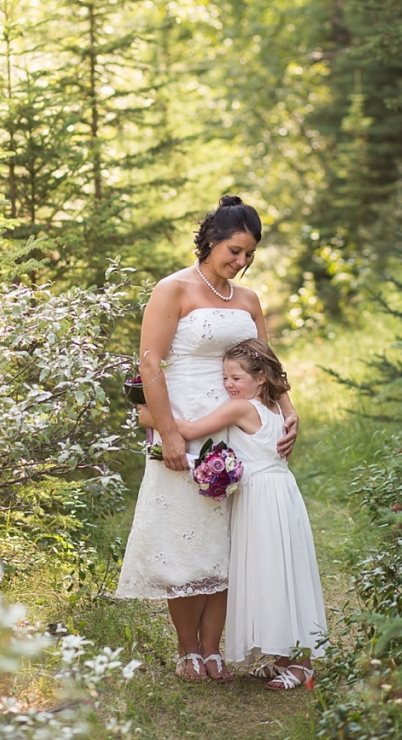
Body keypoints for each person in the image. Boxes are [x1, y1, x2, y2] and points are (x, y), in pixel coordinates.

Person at [115, 196, 299, 682]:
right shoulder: (173, 289)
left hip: (236, 430)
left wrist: (287, 408)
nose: (241, 263)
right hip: (183, 426)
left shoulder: (249, 301)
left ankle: (214, 648)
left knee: (227, 542)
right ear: (212, 240)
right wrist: (168, 433)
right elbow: (149, 364)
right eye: (234, 251)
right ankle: (187, 649)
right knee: (185, 538)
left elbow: (268, 367)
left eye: (249, 255)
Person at [140, 338, 328, 690]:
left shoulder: (242, 409)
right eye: (225, 377)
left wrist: (150, 416)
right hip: (279, 495)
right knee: (278, 574)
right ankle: (285, 657)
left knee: (275, 574)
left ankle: (302, 665)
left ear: (260, 378)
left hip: (262, 499)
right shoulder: (273, 408)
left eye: (236, 377)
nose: (228, 385)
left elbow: (193, 430)